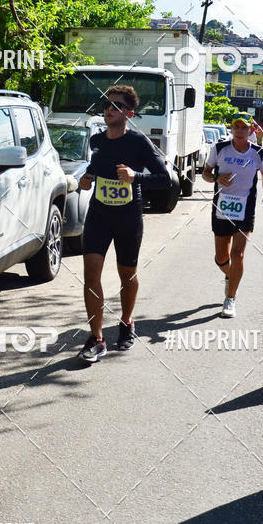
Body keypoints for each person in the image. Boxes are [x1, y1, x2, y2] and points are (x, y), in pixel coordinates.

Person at [77, 85, 171, 362]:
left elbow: (165, 179)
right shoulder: (97, 141)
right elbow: (95, 168)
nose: (109, 109)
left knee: (126, 275)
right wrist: (86, 178)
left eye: (116, 105)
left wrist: (135, 176)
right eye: (107, 104)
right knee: (91, 275)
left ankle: (127, 322)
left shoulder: (139, 142)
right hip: (99, 215)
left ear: (129, 113)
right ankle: (96, 338)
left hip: (128, 216)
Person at [202, 112, 263, 318]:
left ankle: (230, 299)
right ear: (231, 128)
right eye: (237, 127)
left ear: (251, 130)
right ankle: (231, 276)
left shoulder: (258, 153)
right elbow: (205, 174)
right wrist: (217, 178)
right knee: (221, 257)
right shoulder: (219, 149)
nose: (240, 131)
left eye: (245, 127)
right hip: (222, 206)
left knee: (237, 254)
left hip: (246, 207)